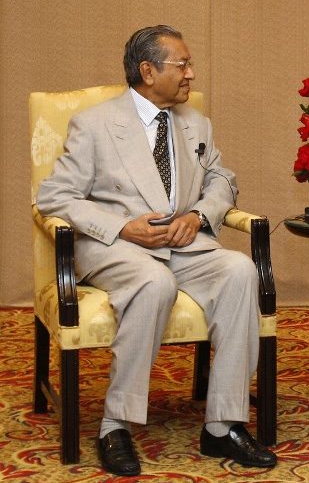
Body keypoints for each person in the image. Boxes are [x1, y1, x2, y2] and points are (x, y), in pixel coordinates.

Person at [36, 25, 277, 476]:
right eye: (182, 64)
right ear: (147, 71)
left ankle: (222, 426)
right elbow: (56, 196)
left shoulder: (195, 122)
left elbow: (222, 179)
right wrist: (122, 227)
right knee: (153, 282)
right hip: (119, 248)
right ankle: (115, 426)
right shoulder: (95, 124)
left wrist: (200, 216)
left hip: (184, 242)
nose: (191, 73)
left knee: (241, 271)